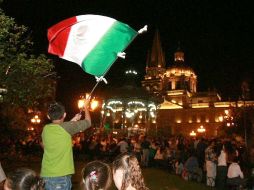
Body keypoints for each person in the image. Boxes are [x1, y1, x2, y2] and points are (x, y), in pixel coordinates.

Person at [40, 100, 91, 190]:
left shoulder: (46, 129)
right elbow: (88, 122)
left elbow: (62, 130)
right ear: (64, 115)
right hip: (60, 177)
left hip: (46, 175)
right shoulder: (66, 128)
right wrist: (86, 107)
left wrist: (73, 121)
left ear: (48, 116)